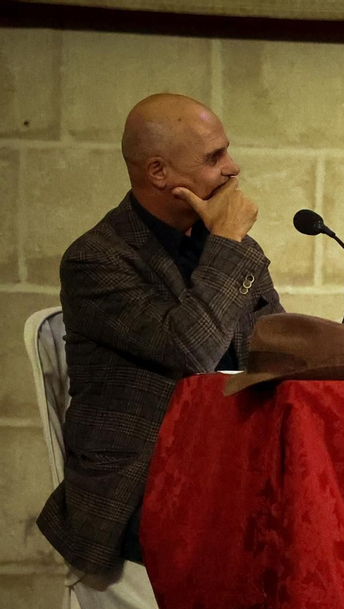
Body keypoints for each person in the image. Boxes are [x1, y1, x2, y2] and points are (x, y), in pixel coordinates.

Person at [36, 93, 282, 580]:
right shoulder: (98, 259)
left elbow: (271, 347)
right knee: (252, 539)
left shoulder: (228, 247)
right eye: (214, 158)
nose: (233, 168)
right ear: (158, 172)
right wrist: (228, 243)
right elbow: (191, 348)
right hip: (136, 482)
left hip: (229, 461)